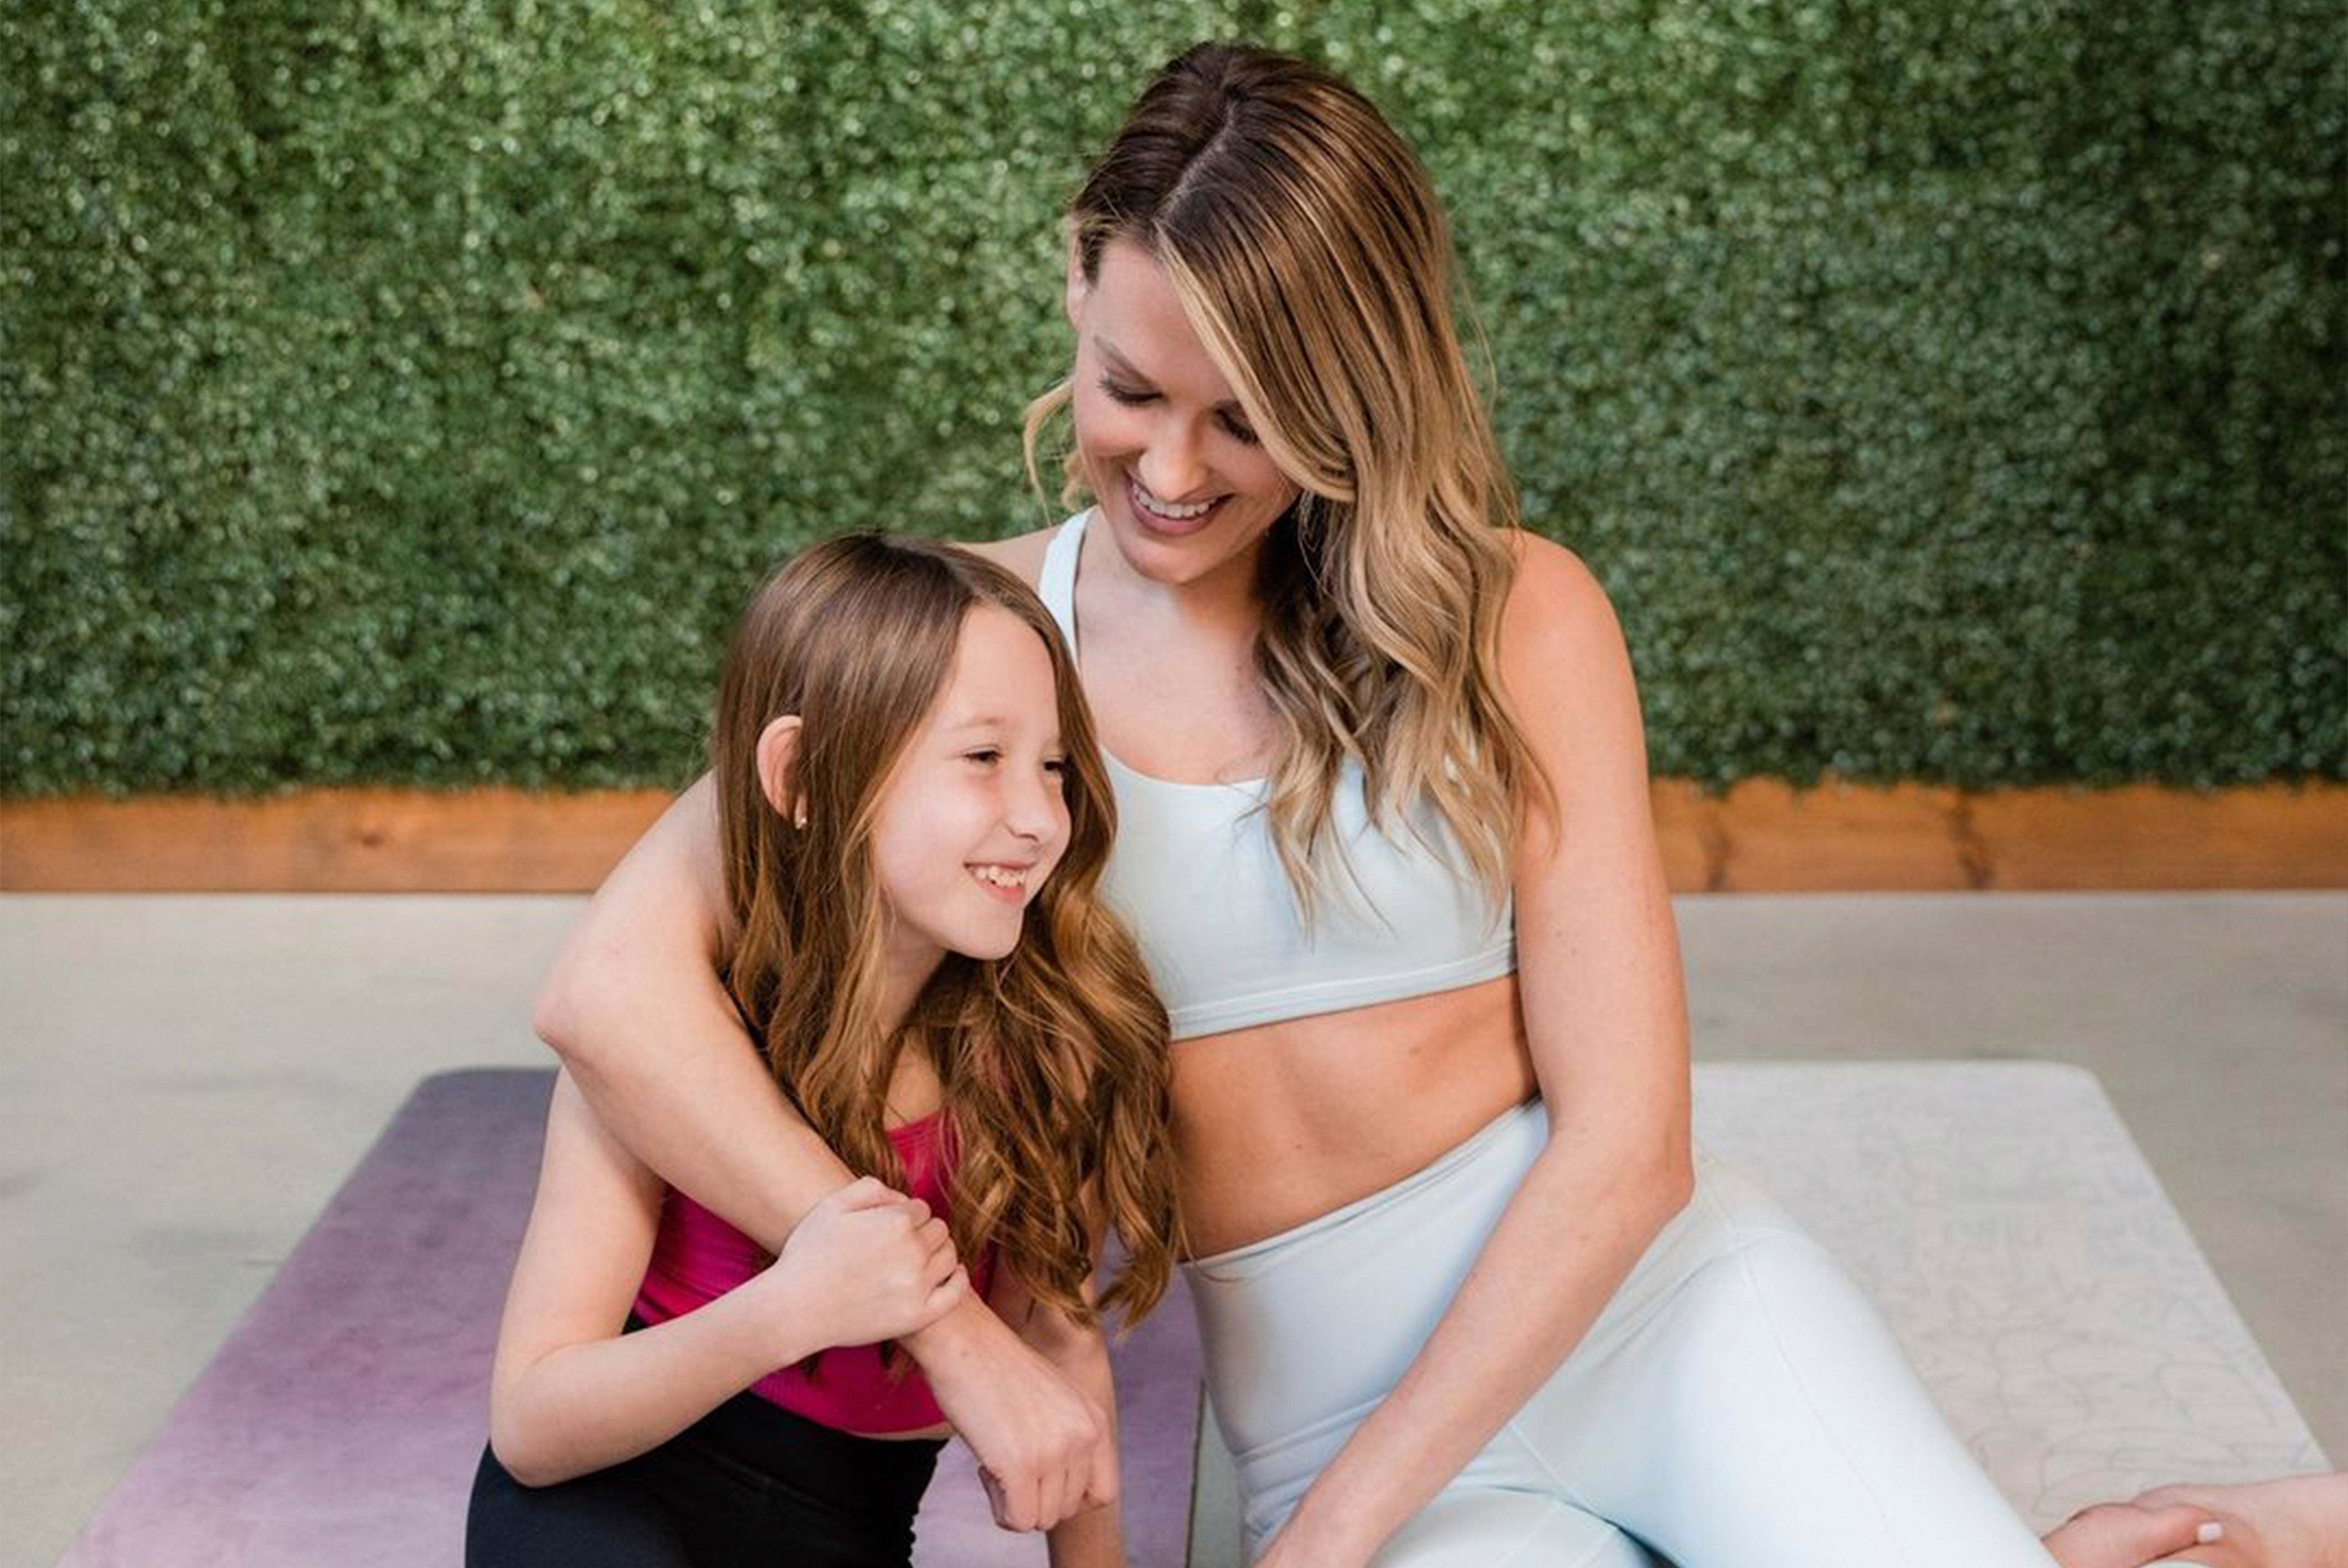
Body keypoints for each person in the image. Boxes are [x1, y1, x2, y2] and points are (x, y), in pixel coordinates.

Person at [532, 40, 2301, 1568]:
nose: (1168, 468)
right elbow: (607, 992)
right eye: (1130, 390)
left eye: (1248, 419)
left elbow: (1629, 1147)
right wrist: (940, 1323)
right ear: (1077, 281)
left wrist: (1347, 1530)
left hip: (1655, 1317)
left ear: (1356, 388)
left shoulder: (1521, 615)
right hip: (1307, 1401)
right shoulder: (981, 656)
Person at [468, 534, 1180, 1567]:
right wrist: (789, 1310)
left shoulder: (1045, 1055)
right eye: (983, 758)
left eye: (1055, 768)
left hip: (848, 1522)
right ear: (801, 778)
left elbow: (1059, 1353)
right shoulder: (671, 1056)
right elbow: (533, 1431)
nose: (1036, 819)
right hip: (613, 1499)